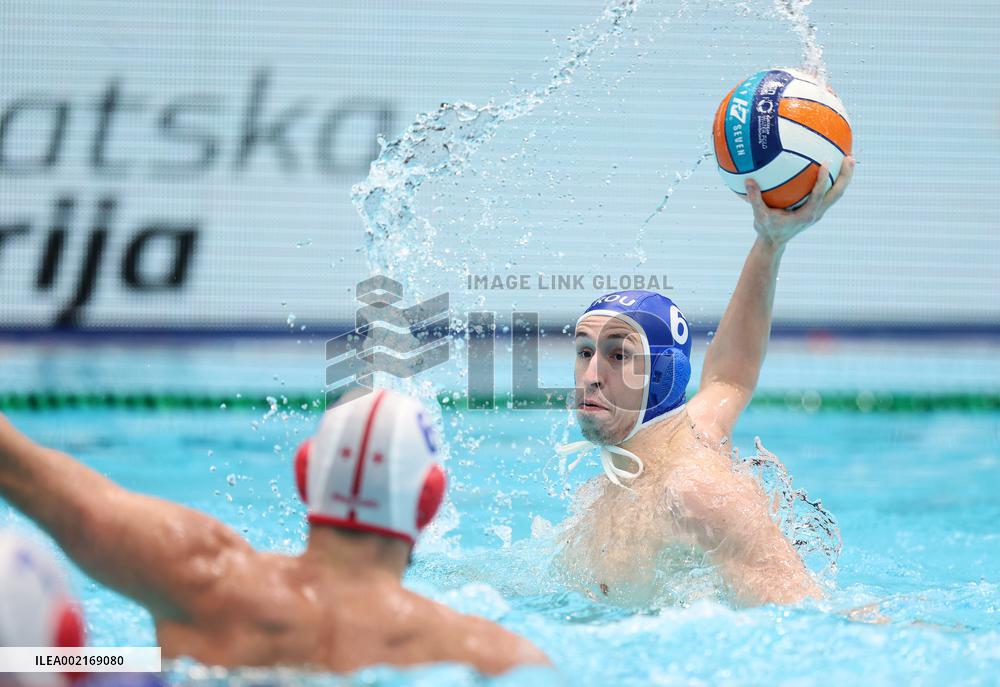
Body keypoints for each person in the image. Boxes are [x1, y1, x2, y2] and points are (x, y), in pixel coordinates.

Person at [0, 389, 549, 675]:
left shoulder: (200, 579)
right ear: (428, 502)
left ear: (305, 473)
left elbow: (21, 470)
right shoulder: (484, 651)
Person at [557, 159, 855, 607]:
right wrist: (768, 244)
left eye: (618, 355)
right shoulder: (623, 473)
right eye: (585, 352)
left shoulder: (696, 491)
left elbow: (807, 615)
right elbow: (730, 375)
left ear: (663, 376)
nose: (591, 376)